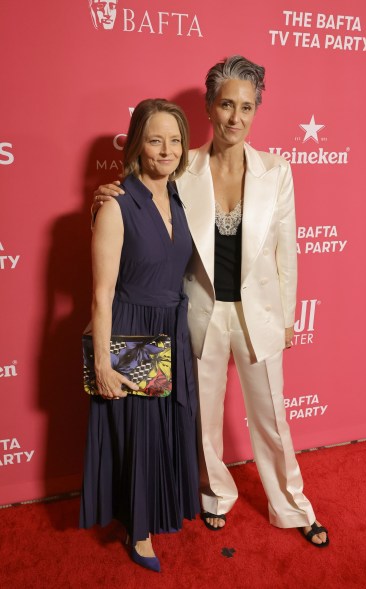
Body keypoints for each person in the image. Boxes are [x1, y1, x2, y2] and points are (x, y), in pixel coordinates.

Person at [92, 56, 329, 547]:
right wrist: (106, 194)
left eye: (246, 107)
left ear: (256, 111)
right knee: (203, 417)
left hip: (257, 314)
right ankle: (216, 495)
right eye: (226, 105)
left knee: (273, 418)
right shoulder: (184, 166)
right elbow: (146, 195)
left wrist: (287, 316)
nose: (235, 118)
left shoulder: (277, 171)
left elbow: (289, 248)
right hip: (198, 311)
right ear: (209, 107)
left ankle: (291, 504)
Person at [80, 98, 200, 573]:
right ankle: (140, 529)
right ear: (136, 145)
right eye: (155, 139)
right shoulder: (115, 204)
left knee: (165, 431)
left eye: (175, 140)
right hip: (134, 331)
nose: (166, 149)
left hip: (172, 327)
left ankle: (157, 512)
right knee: (141, 434)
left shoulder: (178, 198)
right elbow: (102, 294)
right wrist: (105, 364)